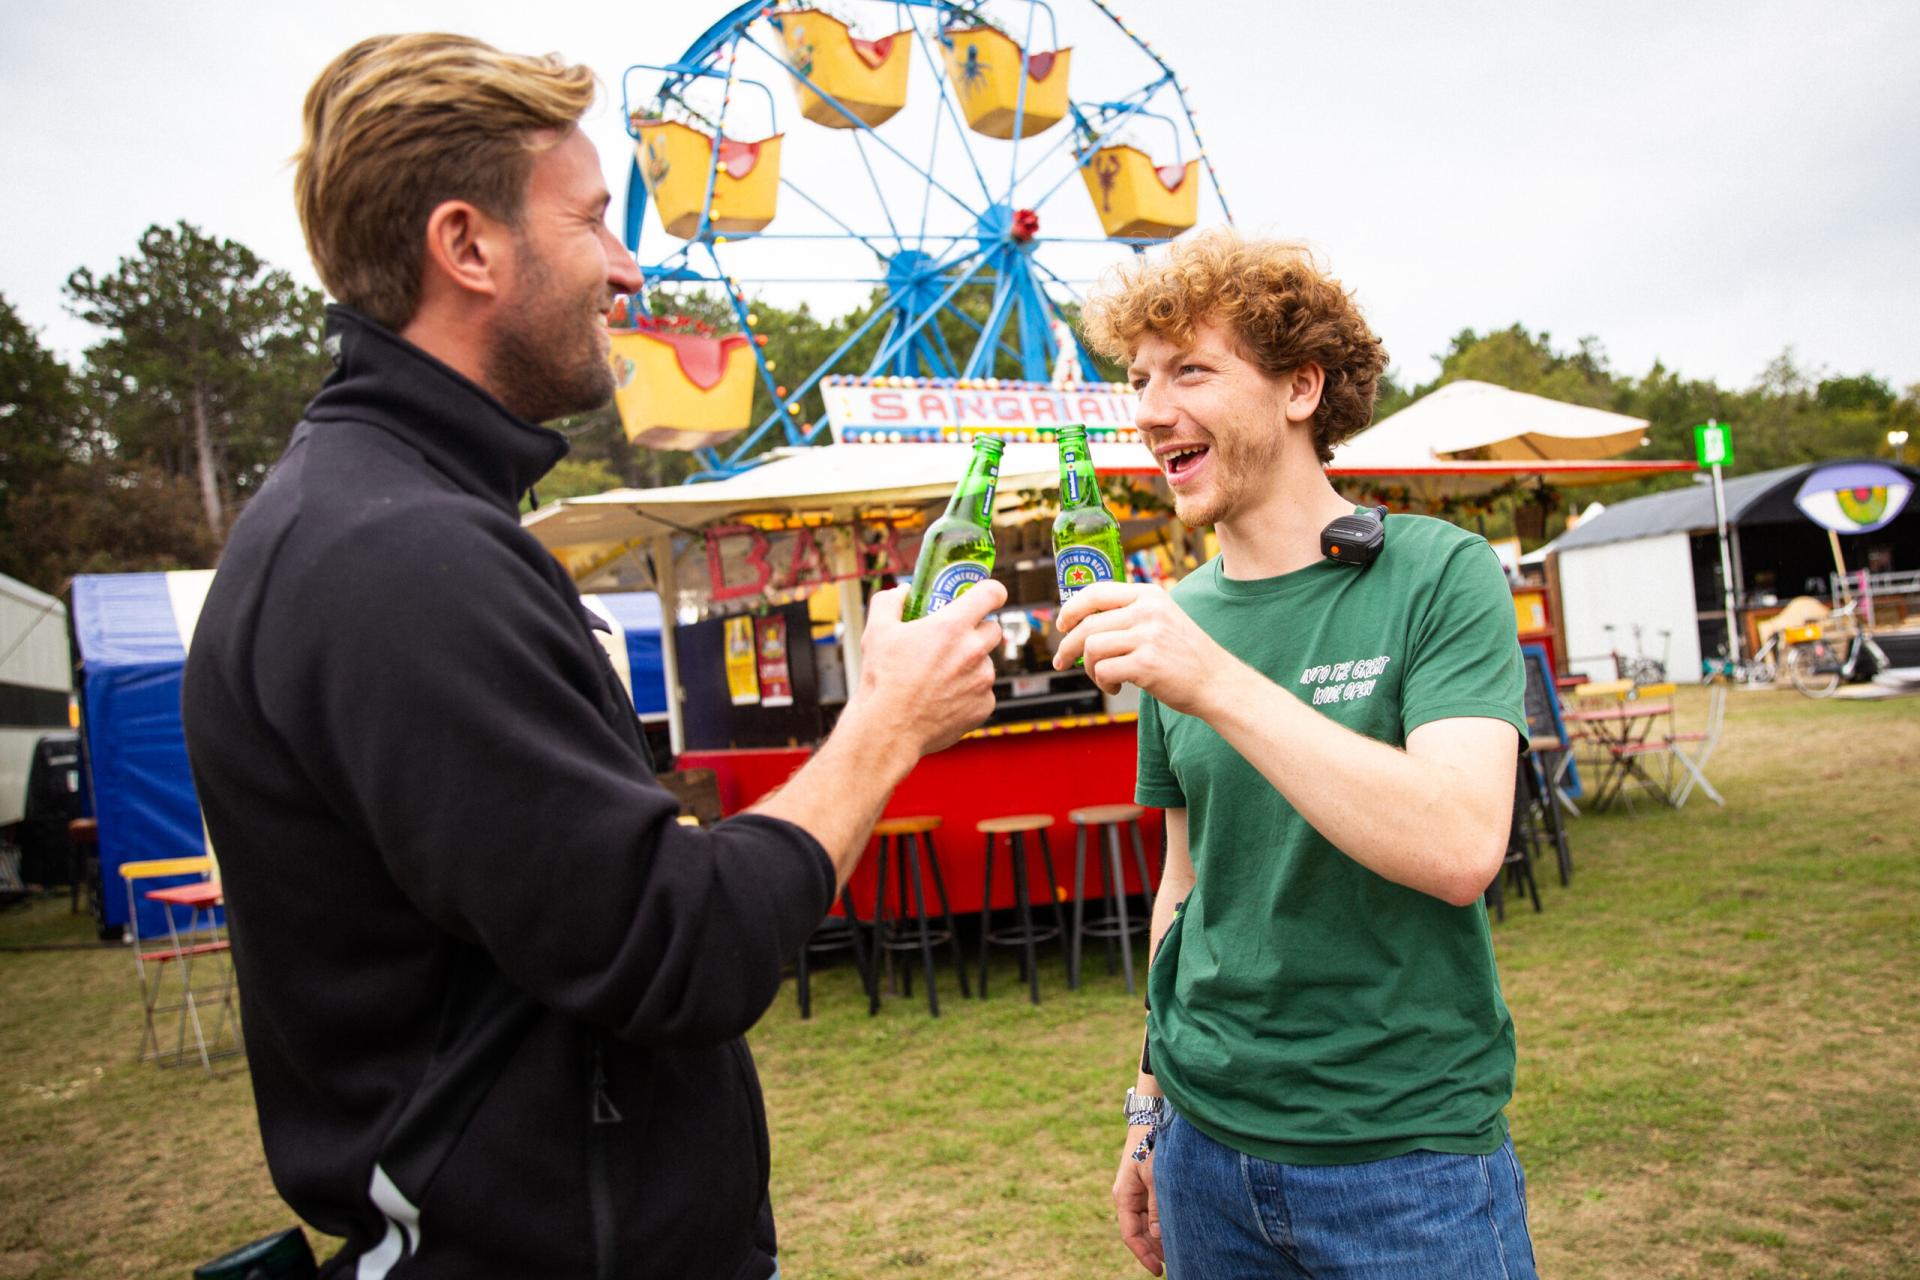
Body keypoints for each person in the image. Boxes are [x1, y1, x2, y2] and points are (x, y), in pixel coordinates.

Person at [181, 34, 1004, 1280]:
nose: (627, 268)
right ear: (467, 247)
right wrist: (886, 721)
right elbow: (678, 950)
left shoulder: (392, 519)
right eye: (593, 220)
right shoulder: (393, 559)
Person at [1054, 229, 1538, 1278]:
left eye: (1190, 368)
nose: (1147, 409)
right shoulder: (1172, 619)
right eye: (1139, 378)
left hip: (1404, 1165)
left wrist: (1214, 678)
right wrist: (1147, 1103)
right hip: (1204, 1153)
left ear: (1300, 386)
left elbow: (1460, 843)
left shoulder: (1433, 573)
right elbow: (1185, 887)